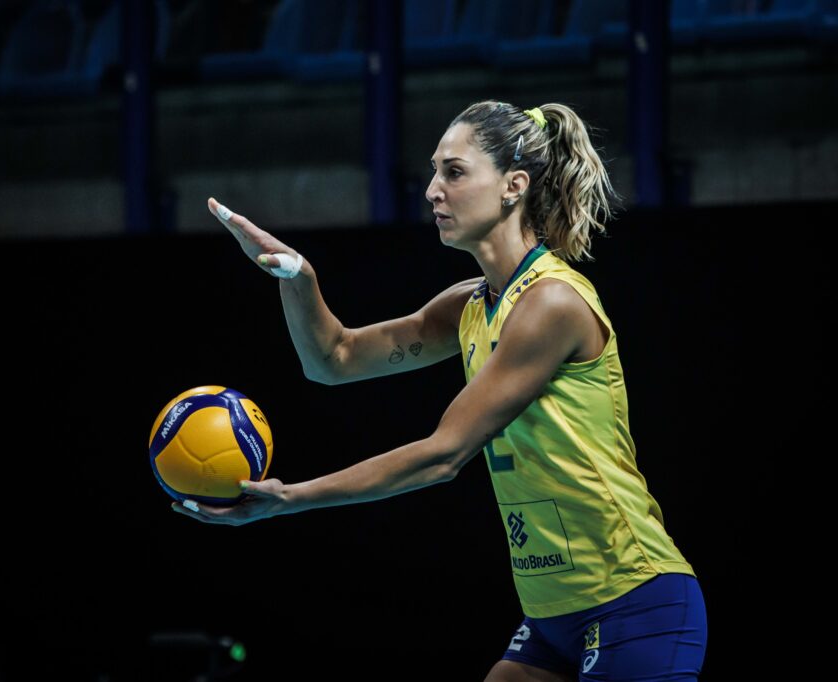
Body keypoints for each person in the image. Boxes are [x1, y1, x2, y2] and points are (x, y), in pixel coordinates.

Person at [172, 100, 708, 681]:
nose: (432, 190)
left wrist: (292, 498)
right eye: (434, 171)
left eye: (454, 172)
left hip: (635, 601)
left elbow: (444, 453)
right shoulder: (470, 304)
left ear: (513, 186)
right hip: (552, 612)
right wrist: (298, 278)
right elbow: (335, 358)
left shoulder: (551, 303)